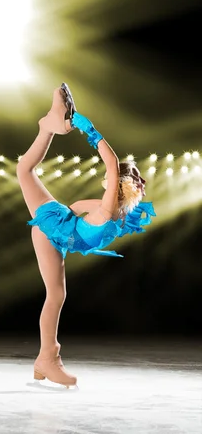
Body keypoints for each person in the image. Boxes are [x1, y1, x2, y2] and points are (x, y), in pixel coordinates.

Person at [16, 83, 156, 388]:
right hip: (54, 228)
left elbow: (111, 164)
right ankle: (47, 358)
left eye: (109, 178)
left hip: (59, 235)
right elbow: (78, 206)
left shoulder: (113, 209)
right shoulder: (116, 212)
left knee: (57, 295)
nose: (105, 178)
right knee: (25, 172)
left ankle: (45, 359)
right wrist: (68, 214)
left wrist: (90, 130)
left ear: (116, 185)